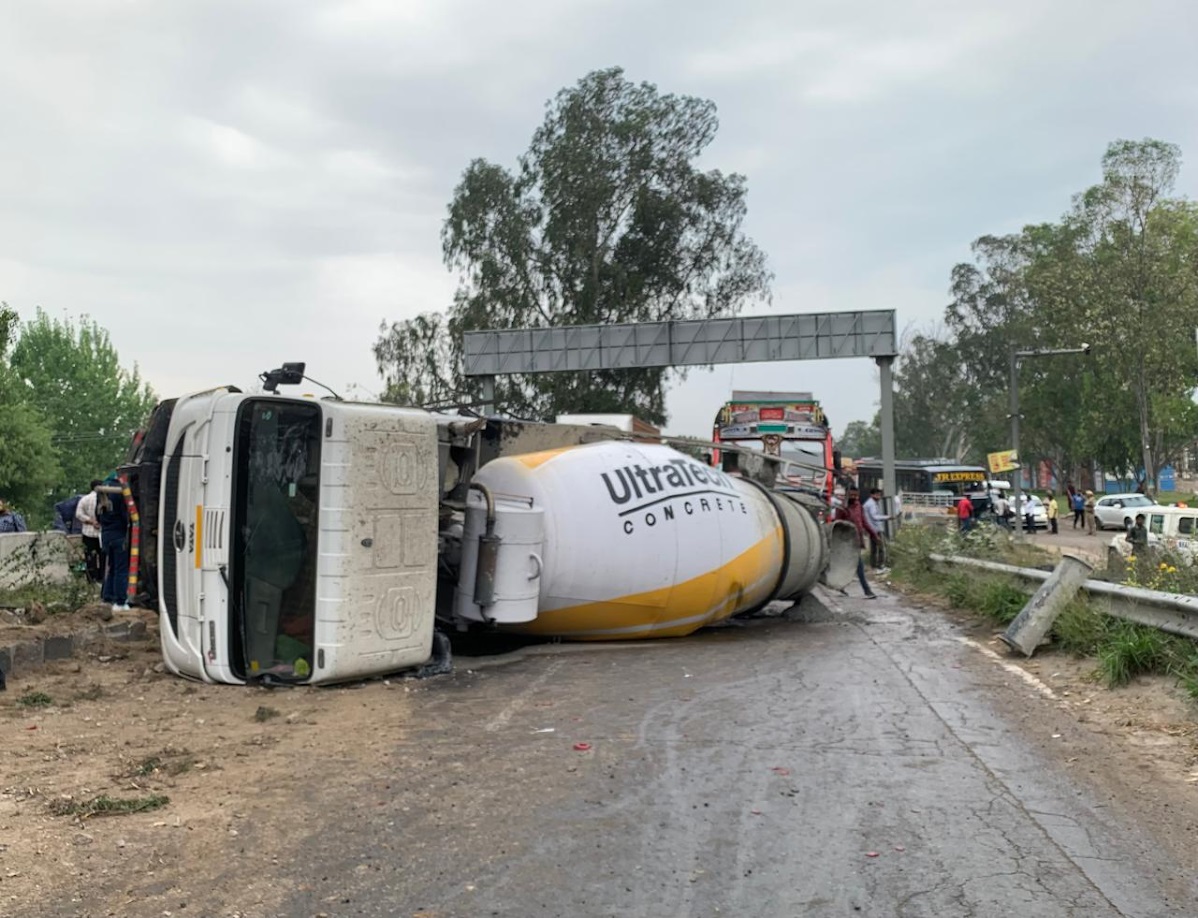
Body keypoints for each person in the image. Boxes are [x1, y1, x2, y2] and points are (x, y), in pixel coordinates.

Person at [831, 488, 878, 600]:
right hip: (847, 541)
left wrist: (873, 535)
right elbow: (838, 525)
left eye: (856, 495)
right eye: (852, 495)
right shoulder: (842, 508)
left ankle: (841, 586)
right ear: (847, 495)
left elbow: (864, 522)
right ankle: (867, 590)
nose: (854, 497)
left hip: (857, 540)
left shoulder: (859, 506)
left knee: (850, 565)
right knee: (859, 565)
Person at [97, 475, 131, 611]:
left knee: (110, 567)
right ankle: (120, 602)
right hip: (119, 535)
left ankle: (108, 597)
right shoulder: (120, 490)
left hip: (106, 536)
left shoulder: (101, 493)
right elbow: (124, 515)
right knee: (121, 569)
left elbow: (98, 515)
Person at [75, 480, 105, 585]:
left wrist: (90, 521)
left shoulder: (85, 499)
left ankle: (91, 579)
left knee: (90, 557)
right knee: (103, 557)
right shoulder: (105, 499)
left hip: (88, 532)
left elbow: (78, 514)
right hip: (102, 533)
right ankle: (102, 578)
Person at [863, 487, 888, 571]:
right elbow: (874, 517)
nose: (879, 497)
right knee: (881, 548)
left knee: (874, 548)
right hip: (876, 529)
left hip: (872, 529)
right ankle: (881, 565)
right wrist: (887, 517)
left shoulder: (869, 503)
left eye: (880, 495)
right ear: (872, 495)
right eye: (877, 495)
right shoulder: (871, 504)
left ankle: (873, 565)